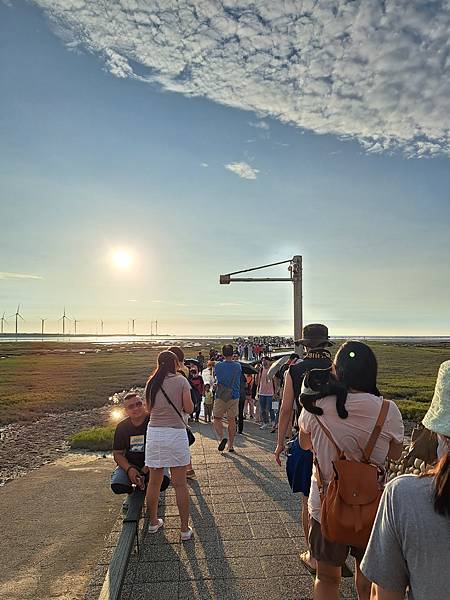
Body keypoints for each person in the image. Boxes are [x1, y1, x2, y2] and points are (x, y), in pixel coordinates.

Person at [299, 341, 404, 600]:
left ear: (337, 370)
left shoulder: (316, 406)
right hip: (372, 508)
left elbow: (304, 444)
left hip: (325, 506)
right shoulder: (387, 410)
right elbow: (395, 454)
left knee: (325, 578)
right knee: (368, 581)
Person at [361, 359, 450, 600]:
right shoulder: (386, 408)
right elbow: (395, 451)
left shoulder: (404, 496)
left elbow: (384, 594)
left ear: (441, 436)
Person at [275, 325, 334, 573]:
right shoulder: (336, 368)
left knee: (307, 502)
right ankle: (333, 549)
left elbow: (287, 409)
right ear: (325, 344)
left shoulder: (295, 370)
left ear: (305, 345)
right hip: (335, 442)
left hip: (306, 439)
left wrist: (280, 442)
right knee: (335, 495)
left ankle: (313, 553)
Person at [144, 350, 194, 540]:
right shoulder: (181, 381)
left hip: (155, 433)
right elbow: (189, 408)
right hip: (175, 434)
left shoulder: (151, 382)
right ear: (174, 363)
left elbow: (149, 408)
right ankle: (183, 529)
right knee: (180, 484)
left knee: (154, 482)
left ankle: (153, 522)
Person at [111, 392, 170, 508]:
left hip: (153, 462)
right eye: (131, 406)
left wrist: (146, 468)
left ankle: (152, 490)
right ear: (125, 411)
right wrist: (130, 469)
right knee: (117, 485)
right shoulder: (122, 427)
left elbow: (163, 447)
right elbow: (117, 454)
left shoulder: (154, 421)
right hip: (131, 463)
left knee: (164, 481)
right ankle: (131, 492)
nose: (136, 408)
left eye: (138, 404)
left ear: (144, 404)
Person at [167, 345, 196, 479]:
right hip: (182, 412)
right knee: (181, 440)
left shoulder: (178, 373)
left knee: (177, 442)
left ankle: (183, 469)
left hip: (176, 411)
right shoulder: (185, 370)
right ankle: (188, 468)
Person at [213, 344, 242, 452]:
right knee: (232, 420)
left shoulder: (218, 365)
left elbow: (216, 377)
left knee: (216, 418)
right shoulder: (238, 366)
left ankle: (222, 437)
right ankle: (231, 445)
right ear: (232, 353)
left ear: (223, 353)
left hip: (221, 395)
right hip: (234, 395)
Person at [257, 356, 275, 430]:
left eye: (265, 360)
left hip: (271, 392)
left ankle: (273, 421)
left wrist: (276, 392)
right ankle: (265, 422)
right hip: (262, 392)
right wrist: (257, 391)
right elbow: (258, 381)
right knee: (262, 409)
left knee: (271, 408)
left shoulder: (272, 369)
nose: (264, 362)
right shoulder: (261, 370)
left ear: (269, 361)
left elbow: (275, 381)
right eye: (263, 361)